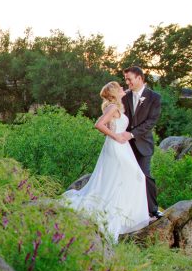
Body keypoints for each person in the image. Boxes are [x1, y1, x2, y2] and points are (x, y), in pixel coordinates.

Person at [61, 81, 150, 242]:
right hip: (116, 147)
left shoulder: (115, 107)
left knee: (124, 178)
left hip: (121, 147)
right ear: (114, 92)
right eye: (120, 88)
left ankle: (126, 214)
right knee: (136, 176)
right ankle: (117, 214)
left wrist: (118, 135)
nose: (123, 89)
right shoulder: (112, 108)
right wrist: (115, 136)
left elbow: (111, 126)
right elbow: (99, 124)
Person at [114, 65, 162, 218]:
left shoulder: (154, 98)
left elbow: (151, 121)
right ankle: (127, 210)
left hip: (143, 144)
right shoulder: (124, 96)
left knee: (144, 175)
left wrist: (132, 134)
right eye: (126, 79)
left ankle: (153, 209)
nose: (127, 82)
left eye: (129, 79)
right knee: (124, 176)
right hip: (124, 145)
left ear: (140, 78)